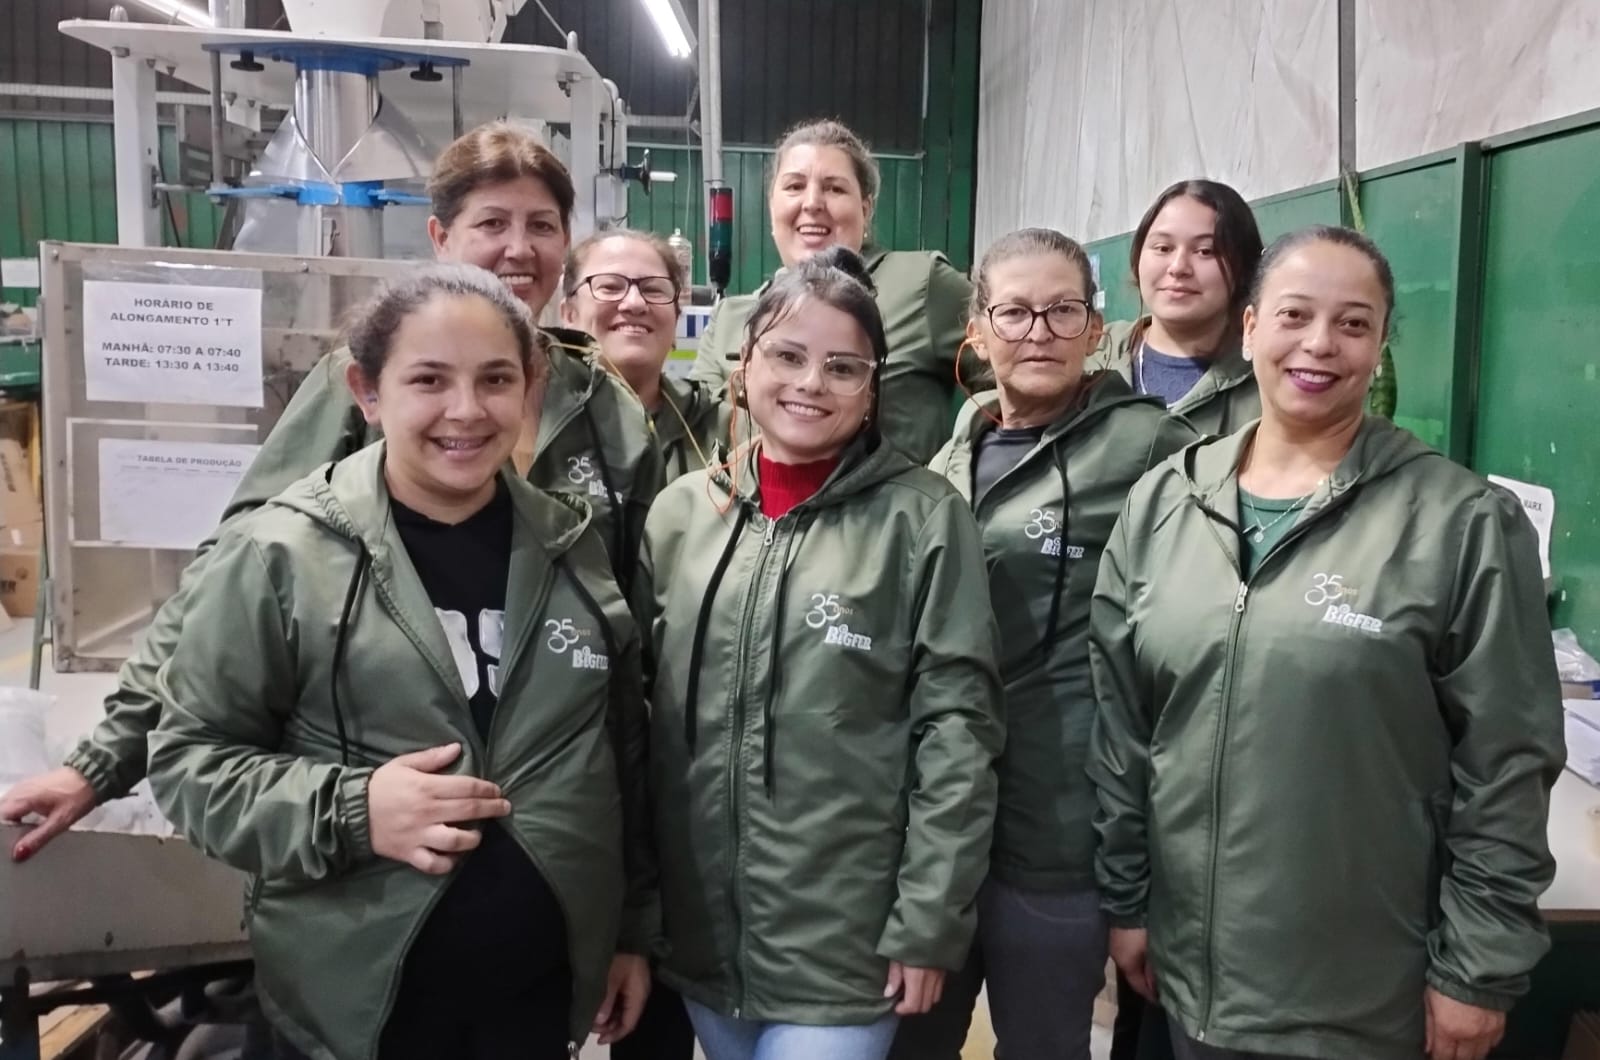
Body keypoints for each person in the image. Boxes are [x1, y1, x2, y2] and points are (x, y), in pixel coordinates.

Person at [2, 122, 663, 863]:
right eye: (491, 224)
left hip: (549, 825)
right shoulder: (368, 387)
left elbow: (636, 632)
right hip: (377, 806)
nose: (519, 248)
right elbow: (233, 579)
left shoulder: (606, 410)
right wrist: (103, 763)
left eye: (541, 225)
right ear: (441, 237)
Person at [146, 264, 654, 1060]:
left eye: (496, 379)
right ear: (367, 391)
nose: (466, 409)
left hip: (532, 1006)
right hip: (352, 1016)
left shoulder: (569, 546)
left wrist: (628, 931)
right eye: (428, 380)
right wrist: (355, 809)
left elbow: (619, 753)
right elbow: (189, 764)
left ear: (530, 389)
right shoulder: (282, 555)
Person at [1088, 226, 1564, 1060]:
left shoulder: (1457, 522)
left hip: (1363, 995)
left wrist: (1476, 969)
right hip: (1189, 978)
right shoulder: (1165, 502)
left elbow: (1507, 764)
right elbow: (1125, 729)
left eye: (1353, 324)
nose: (1319, 344)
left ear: (1379, 349)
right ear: (1249, 329)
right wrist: (1128, 901)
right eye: (1294, 315)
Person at [637, 246, 1004, 1060]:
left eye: (843, 367)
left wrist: (929, 916)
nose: (811, 383)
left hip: (846, 946)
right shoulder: (682, 516)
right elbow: (643, 729)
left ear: (873, 388)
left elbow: (958, 732)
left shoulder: (922, 519)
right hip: (706, 944)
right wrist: (640, 913)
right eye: (788, 356)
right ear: (744, 364)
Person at [892, 229, 1197, 1060]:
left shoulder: (1150, 448)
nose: (1039, 333)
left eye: (1063, 311)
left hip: (1059, 827)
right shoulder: (957, 445)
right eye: (1015, 313)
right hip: (937, 824)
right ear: (977, 330)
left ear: (1095, 327)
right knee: (911, 1045)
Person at [689, 119, 973, 464]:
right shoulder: (730, 319)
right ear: (772, 206)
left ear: (865, 209)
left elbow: (1013, 373)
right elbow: (692, 433)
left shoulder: (921, 284)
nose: (812, 203)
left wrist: (962, 470)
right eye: (794, 186)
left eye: (835, 189)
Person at [1089, 179, 1265, 437]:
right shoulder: (1092, 350)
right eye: (1163, 248)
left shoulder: (1265, 379)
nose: (1178, 267)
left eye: (1205, 251)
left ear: (1245, 268)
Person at [560, 227, 726, 479]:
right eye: (610, 286)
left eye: (653, 290)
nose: (635, 303)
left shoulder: (722, 428)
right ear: (569, 315)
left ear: (676, 318)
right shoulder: (531, 420)